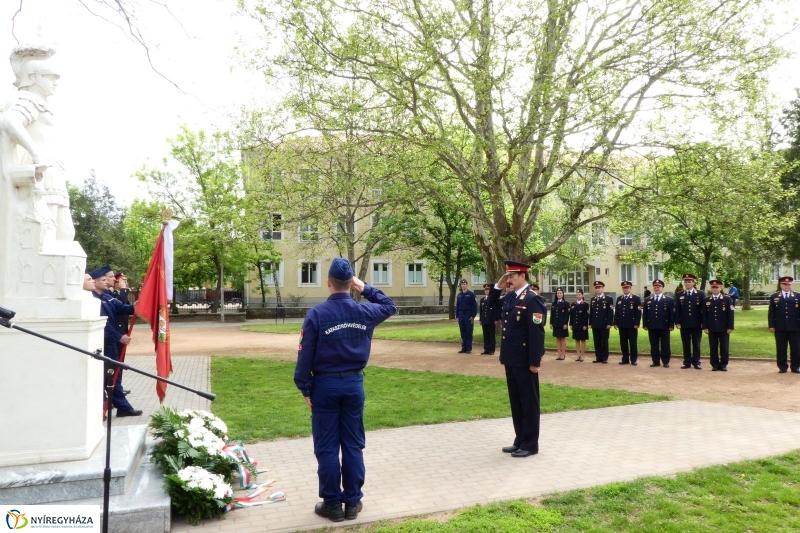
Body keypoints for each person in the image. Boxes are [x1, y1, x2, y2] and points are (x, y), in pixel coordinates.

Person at [294, 258, 396, 522]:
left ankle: (332, 504)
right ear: (351, 285)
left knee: (327, 446)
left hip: (325, 386)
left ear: (328, 283)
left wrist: (305, 388)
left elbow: (305, 356)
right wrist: (367, 289)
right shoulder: (365, 312)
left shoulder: (316, 314)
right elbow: (389, 306)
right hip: (353, 385)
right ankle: (352, 502)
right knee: (352, 444)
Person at [486, 261, 546, 458]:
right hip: (511, 358)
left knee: (528, 401)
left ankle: (530, 444)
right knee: (516, 401)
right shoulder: (511, 296)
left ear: (522, 276)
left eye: (511, 276)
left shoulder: (532, 299)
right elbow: (491, 305)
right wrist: (497, 287)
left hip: (525, 359)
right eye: (507, 276)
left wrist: (535, 361)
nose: (508, 279)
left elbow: (536, 333)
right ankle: (520, 439)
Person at [90, 265, 141, 417]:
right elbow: (103, 325)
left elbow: (121, 308)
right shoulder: (93, 301)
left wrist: (134, 307)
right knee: (107, 376)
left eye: (107, 279)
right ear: (95, 282)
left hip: (111, 344)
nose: (107, 282)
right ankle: (109, 407)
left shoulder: (106, 296)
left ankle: (120, 406)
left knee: (114, 375)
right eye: (103, 279)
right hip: (103, 343)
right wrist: (119, 337)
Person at [767, 276, 800, 374]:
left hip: (795, 327)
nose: (787, 286)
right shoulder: (775, 296)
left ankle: (795, 366)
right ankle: (782, 366)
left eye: (788, 284)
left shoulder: (798, 296)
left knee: (796, 348)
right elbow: (771, 312)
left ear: (791, 285)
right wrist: (771, 325)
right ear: (781, 285)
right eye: (784, 284)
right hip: (780, 327)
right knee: (781, 347)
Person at [703, 280, 734, 371]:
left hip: (724, 327)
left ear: (721, 288)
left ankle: (723, 364)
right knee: (713, 347)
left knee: (724, 347)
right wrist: (705, 327)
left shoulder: (727, 299)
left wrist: (730, 326)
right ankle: (715, 364)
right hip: (712, 327)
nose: (715, 289)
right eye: (713, 287)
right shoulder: (707, 300)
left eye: (717, 287)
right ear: (711, 288)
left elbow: (730, 314)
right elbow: (704, 315)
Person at [675, 274, 705, 370]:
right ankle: (687, 361)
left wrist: (703, 322)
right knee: (686, 343)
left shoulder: (700, 294)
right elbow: (677, 310)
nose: (687, 283)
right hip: (684, 323)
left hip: (697, 323)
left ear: (693, 282)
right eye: (686, 281)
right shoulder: (680, 294)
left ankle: (696, 362)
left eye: (689, 281)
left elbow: (703, 310)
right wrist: (677, 322)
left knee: (696, 343)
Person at [642, 280, 674, 368]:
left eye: (659, 287)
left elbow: (671, 314)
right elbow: (645, 313)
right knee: (654, 344)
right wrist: (645, 324)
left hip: (664, 326)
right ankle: (655, 361)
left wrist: (671, 325)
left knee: (665, 345)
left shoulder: (669, 300)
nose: (657, 289)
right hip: (652, 326)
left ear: (662, 288)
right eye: (655, 287)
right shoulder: (648, 300)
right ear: (653, 288)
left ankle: (665, 361)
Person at [614, 281, 642, 365]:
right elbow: (617, 312)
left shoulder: (635, 298)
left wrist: (637, 323)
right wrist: (615, 322)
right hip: (622, 324)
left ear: (630, 288)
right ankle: (625, 358)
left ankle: (633, 359)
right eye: (624, 288)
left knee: (633, 343)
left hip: (632, 325)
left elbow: (638, 312)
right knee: (623, 342)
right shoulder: (619, 299)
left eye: (627, 288)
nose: (625, 289)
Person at [589, 281, 614, 363]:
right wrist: (590, 323)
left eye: (599, 288)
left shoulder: (608, 299)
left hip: (604, 324)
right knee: (596, 341)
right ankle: (598, 356)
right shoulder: (593, 299)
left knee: (604, 341)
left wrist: (609, 323)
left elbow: (610, 312)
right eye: (596, 288)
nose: (598, 289)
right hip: (595, 324)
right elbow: (591, 312)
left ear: (603, 288)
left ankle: (605, 357)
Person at [455, 279, 477, 354]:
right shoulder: (459, 295)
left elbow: (474, 306)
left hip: (468, 315)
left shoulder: (471, 294)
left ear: (467, 285)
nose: (463, 285)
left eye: (464, 284)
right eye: (462, 284)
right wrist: (457, 316)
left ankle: (469, 348)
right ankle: (463, 347)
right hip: (461, 315)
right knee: (463, 332)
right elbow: (457, 306)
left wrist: (473, 316)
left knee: (468, 332)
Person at [479, 283, 500, 355]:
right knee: (485, 335)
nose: (487, 291)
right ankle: (486, 348)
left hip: (491, 320)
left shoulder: (493, 299)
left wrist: (496, 319)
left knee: (491, 335)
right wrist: (480, 319)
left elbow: (495, 310)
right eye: (485, 290)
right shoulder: (482, 300)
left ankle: (491, 349)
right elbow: (481, 310)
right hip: (484, 319)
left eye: (488, 290)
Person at [550, 287, 570, 360]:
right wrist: (551, 323)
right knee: (558, 339)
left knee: (562, 339)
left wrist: (565, 323)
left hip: (562, 324)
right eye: (558, 293)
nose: (559, 294)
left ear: (563, 294)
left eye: (560, 293)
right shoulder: (554, 303)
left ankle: (563, 354)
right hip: (556, 323)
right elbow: (552, 314)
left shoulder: (566, 303)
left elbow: (567, 315)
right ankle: (559, 354)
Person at [569, 289, 589, 362]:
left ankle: (583, 355)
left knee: (583, 340)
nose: (578, 296)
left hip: (582, 325)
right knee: (577, 340)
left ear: (582, 295)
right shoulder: (573, 304)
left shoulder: (585, 304)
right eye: (577, 294)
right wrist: (571, 324)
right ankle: (578, 355)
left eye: (579, 294)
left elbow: (586, 316)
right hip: (575, 324)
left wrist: (585, 325)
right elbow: (571, 315)